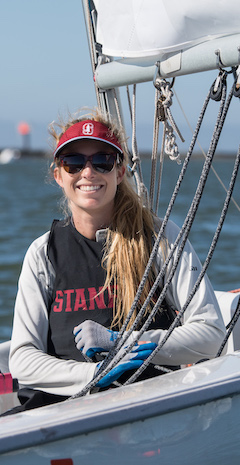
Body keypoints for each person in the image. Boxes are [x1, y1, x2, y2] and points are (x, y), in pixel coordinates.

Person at [8, 109, 226, 413]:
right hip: (63, 413)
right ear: (58, 175)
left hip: (148, 410)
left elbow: (211, 335)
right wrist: (93, 373)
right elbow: (23, 359)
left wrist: (125, 343)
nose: (88, 172)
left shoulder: (160, 238)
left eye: (102, 161)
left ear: (119, 172)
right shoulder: (43, 253)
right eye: (73, 163)